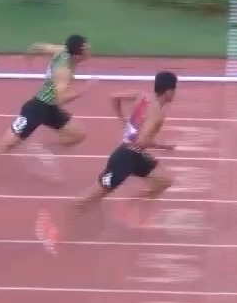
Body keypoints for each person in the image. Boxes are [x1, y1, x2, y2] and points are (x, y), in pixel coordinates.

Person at [37, 71, 179, 252]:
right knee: (88, 199)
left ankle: (125, 206)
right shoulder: (157, 114)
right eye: (175, 90)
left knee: (164, 180)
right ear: (169, 91)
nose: (175, 93)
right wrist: (163, 146)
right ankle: (55, 231)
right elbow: (142, 140)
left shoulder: (142, 95)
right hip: (124, 160)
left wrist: (123, 121)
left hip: (135, 156)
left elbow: (114, 97)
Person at [0, 34, 96, 206]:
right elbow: (58, 98)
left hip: (49, 109)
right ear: (78, 54)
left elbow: (38, 46)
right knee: (6, 145)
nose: (90, 50)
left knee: (77, 134)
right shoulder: (63, 71)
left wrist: (27, 58)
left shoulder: (62, 51)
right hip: (37, 108)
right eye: (86, 48)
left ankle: (39, 151)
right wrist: (82, 92)